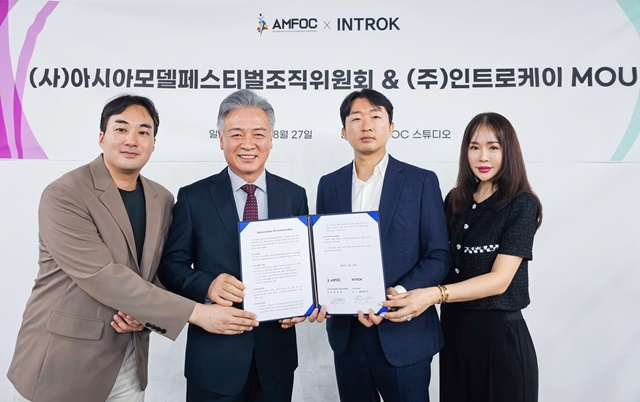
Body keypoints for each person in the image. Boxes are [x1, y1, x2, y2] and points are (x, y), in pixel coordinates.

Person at [7, 95, 255, 402]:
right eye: (121, 129)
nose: (132, 140)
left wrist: (147, 315)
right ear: (102, 137)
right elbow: (102, 275)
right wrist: (197, 313)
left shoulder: (161, 199)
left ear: (153, 143)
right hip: (65, 360)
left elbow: (158, 271)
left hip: (130, 359)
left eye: (143, 131)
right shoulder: (65, 194)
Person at [157, 89, 309, 402]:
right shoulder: (193, 197)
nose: (248, 143)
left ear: (271, 139)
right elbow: (171, 266)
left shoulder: (294, 195)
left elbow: (305, 265)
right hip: (214, 358)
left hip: (275, 359)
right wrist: (207, 284)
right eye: (236, 133)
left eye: (258, 133)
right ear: (221, 139)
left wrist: (302, 302)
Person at [383, 112, 542, 402]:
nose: (483, 157)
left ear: (509, 151)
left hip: (499, 339)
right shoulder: (455, 199)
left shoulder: (521, 204)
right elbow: (435, 257)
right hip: (453, 334)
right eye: (474, 147)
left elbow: (499, 280)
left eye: (493, 147)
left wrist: (434, 294)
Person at [312, 89, 452, 402]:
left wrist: (396, 295)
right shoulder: (329, 184)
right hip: (348, 336)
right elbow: (323, 254)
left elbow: (438, 256)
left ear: (391, 127)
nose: (366, 125)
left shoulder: (420, 181)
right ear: (344, 130)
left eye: (375, 117)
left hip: (404, 332)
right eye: (356, 118)